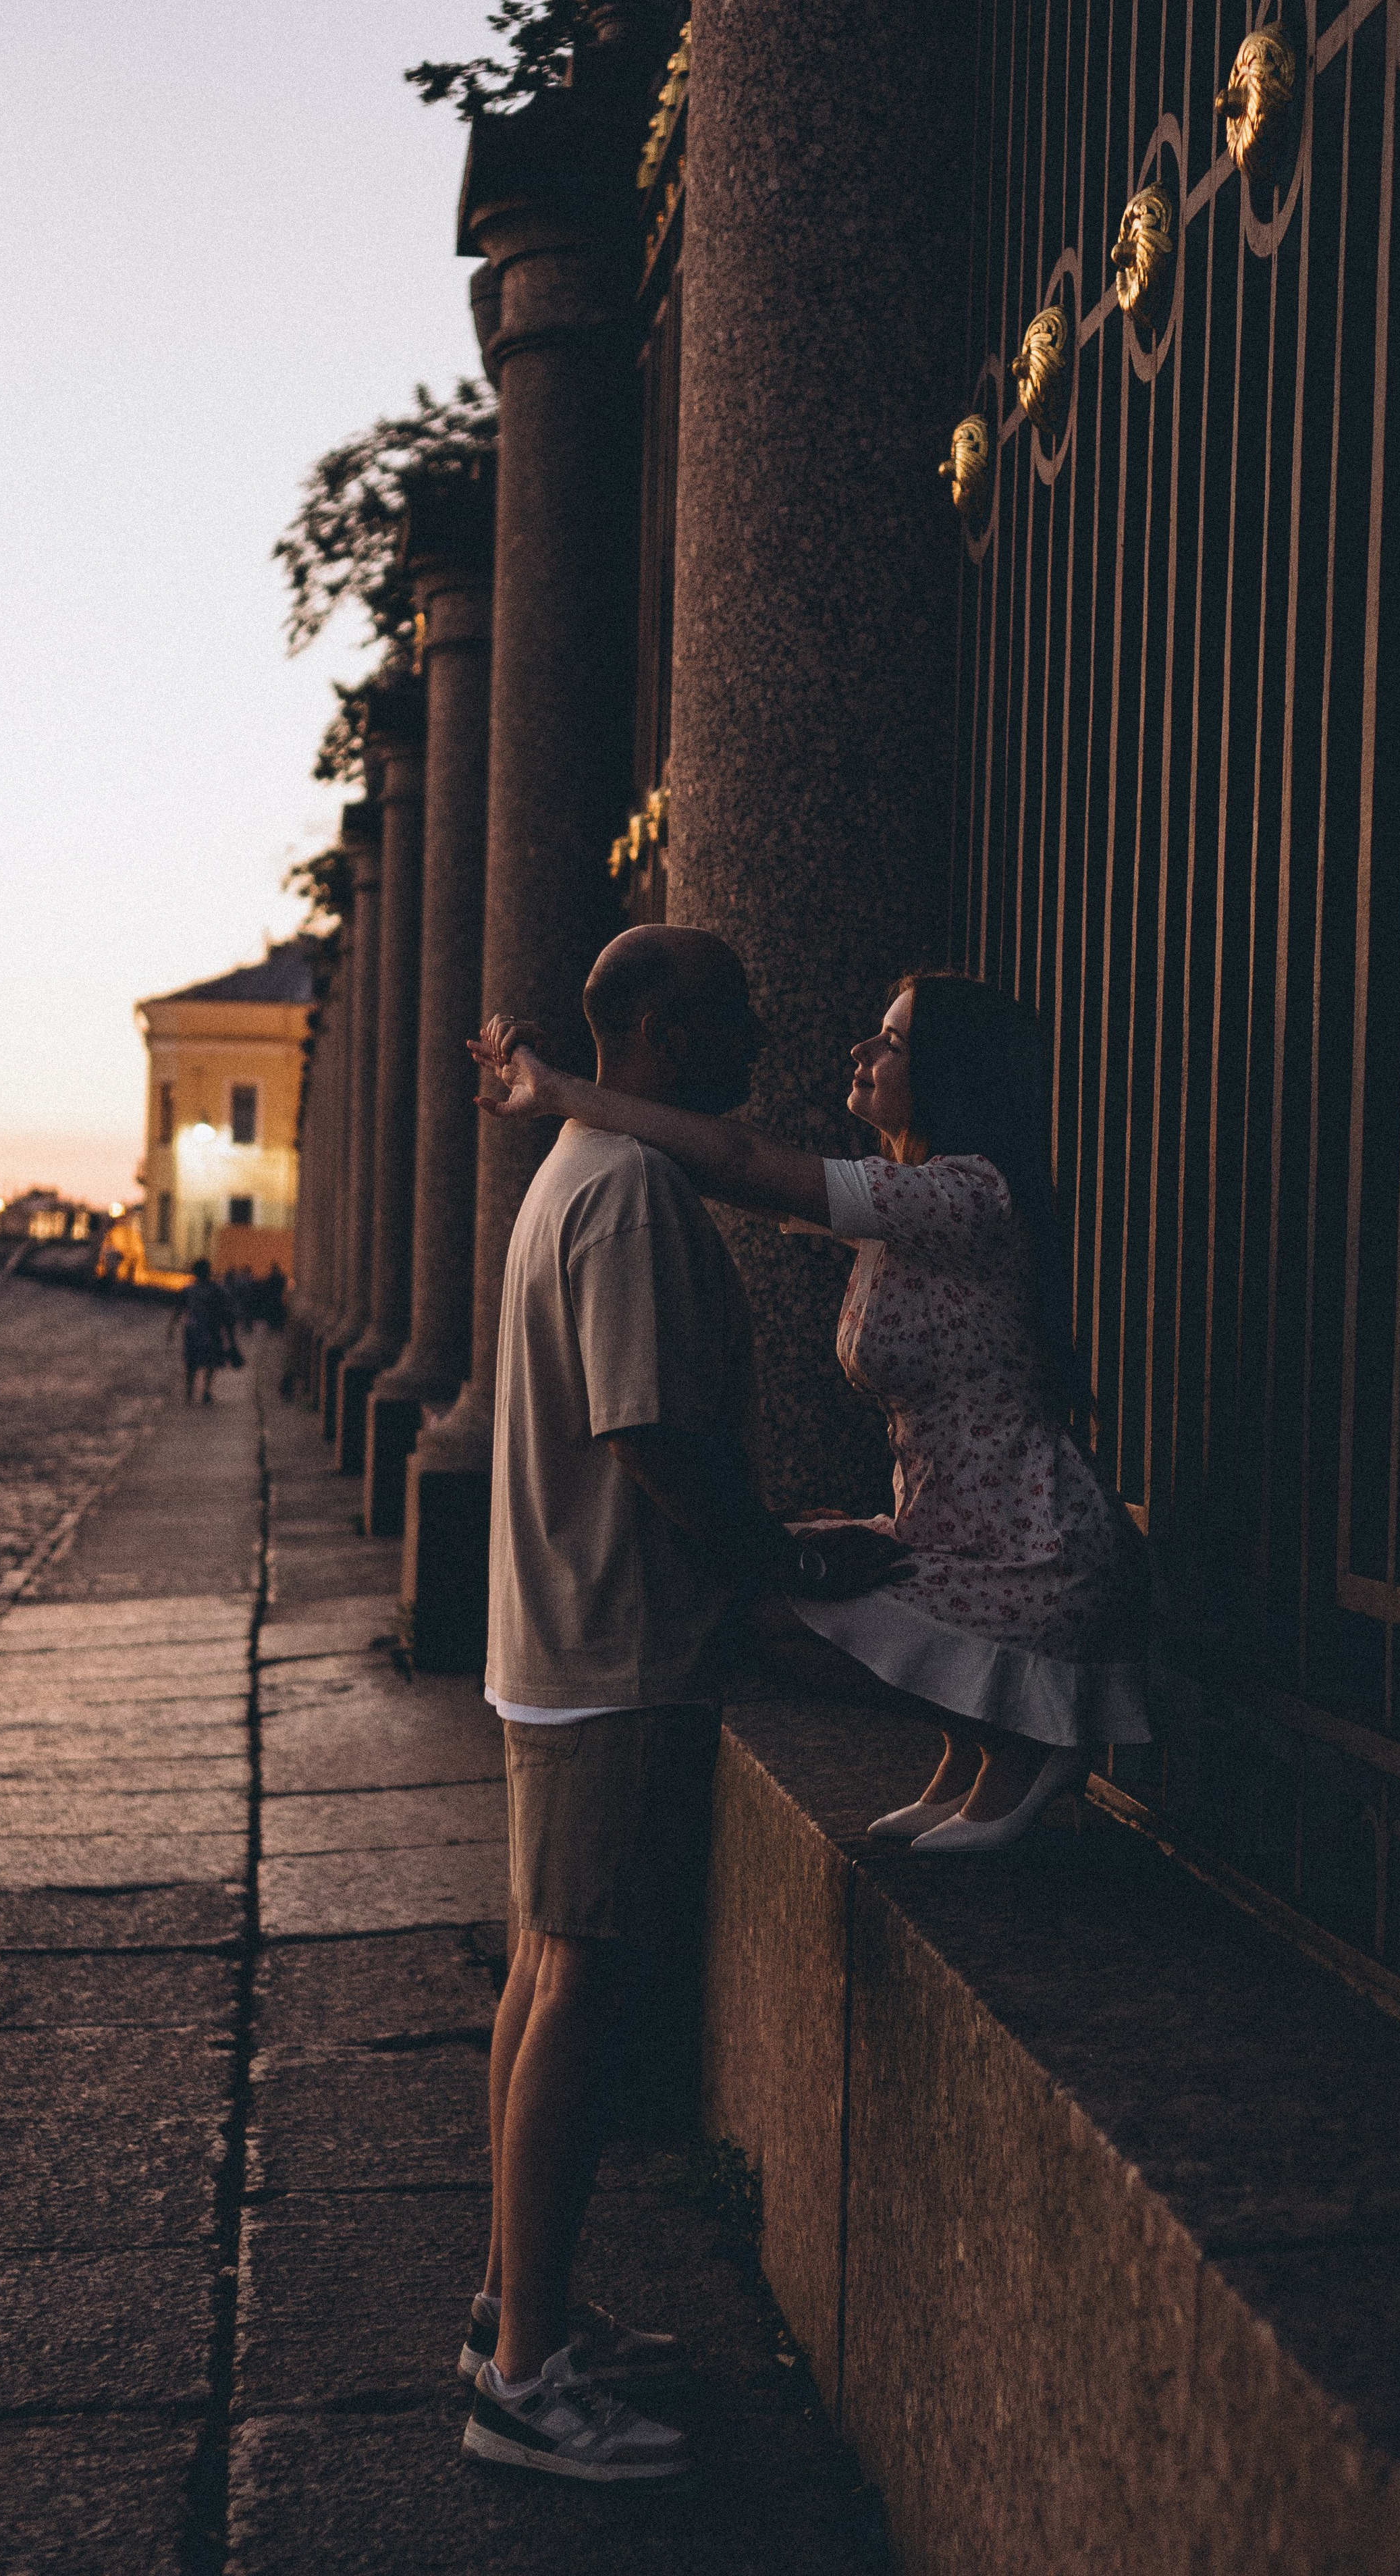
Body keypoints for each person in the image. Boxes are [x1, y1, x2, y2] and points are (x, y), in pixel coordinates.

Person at [456, 926, 909, 2486]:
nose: (755, 1038)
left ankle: (520, 2306)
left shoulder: (574, 1167)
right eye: (725, 1014)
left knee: (542, 1968)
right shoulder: (631, 1188)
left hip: (557, 1638)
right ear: (649, 1024)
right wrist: (773, 1560)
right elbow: (650, 1429)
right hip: (613, 1646)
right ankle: (522, 2381)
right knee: (575, 1983)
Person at [478, 967, 1150, 1856]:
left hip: (1035, 1555)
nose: (861, 1050)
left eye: (894, 1042)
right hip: (956, 1534)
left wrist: (566, 1090)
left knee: (763, 1612)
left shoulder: (966, 1195)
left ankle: (1022, 1732)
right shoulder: (901, 1206)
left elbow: (745, 1158)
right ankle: (975, 1739)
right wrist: (582, 1097)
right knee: (789, 1563)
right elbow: (740, 1179)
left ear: (951, 1073)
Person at [167, 1259, 236, 1404]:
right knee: (211, 1362)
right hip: (212, 1329)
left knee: (191, 1363)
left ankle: (189, 1392)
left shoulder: (188, 1290)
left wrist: (171, 1328)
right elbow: (225, 1312)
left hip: (193, 1330)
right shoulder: (217, 1290)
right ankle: (206, 1391)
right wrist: (230, 1335)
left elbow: (178, 1309)